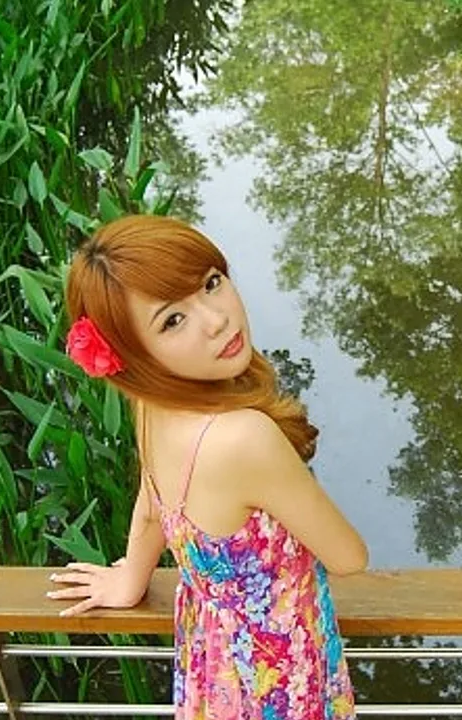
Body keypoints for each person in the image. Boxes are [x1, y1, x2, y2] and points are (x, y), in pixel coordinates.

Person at [47, 215, 368, 720]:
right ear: (133, 355)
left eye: (211, 283)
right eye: (173, 320)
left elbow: (153, 500)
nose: (216, 319)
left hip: (214, 664)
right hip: (279, 675)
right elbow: (348, 556)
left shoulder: (151, 409)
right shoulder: (244, 438)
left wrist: (131, 578)